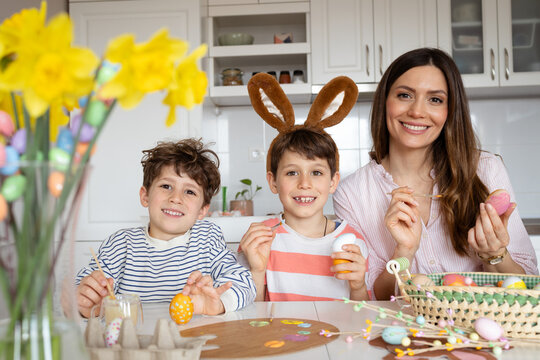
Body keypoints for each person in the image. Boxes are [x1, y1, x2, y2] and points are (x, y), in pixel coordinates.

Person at [333, 47, 538, 300]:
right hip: (406, 333)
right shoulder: (352, 193)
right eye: (405, 95)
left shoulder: (484, 169)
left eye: (435, 99)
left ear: (449, 111)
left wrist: (495, 254)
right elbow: (374, 295)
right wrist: (404, 252)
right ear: (385, 101)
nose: (417, 111)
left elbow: (528, 283)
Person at [76, 139, 256, 318]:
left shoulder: (207, 239)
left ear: (202, 210)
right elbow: (81, 288)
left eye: (189, 191)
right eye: (166, 186)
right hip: (132, 342)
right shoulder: (120, 244)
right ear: (145, 196)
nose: (176, 198)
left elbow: (244, 282)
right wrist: (86, 301)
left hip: (195, 340)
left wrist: (219, 303)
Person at [239, 73, 369, 302]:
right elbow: (250, 316)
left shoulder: (351, 240)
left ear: (333, 182)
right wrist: (257, 272)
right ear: (273, 182)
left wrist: (359, 286)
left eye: (316, 172)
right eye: (292, 172)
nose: (305, 183)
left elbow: (361, 314)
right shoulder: (260, 239)